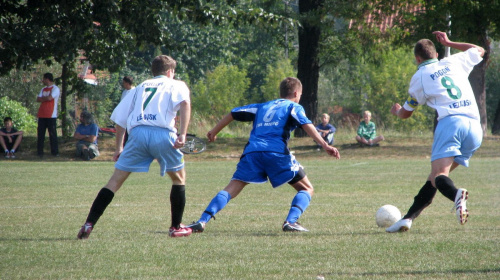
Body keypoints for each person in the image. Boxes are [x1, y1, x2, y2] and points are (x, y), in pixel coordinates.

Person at [186, 77, 340, 234]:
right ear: (295, 93)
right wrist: (325, 144)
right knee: (307, 188)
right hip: (276, 153)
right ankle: (291, 222)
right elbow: (307, 125)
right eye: (299, 95)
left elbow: (234, 113)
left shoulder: (262, 106)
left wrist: (214, 131)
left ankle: (202, 221)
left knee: (231, 189)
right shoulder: (293, 106)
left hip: (252, 153)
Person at [77, 55, 192, 239]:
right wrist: (183, 133)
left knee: (114, 182)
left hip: (137, 135)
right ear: (170, 72)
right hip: (163, 133)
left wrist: (119, 147)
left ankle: (89, 223)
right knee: (179, 178)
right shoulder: (177, 84)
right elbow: (185, 103)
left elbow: (120, 119)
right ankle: (176, 227)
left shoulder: (139, 87)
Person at [387, 31, 485, 233]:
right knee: (435, 178)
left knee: (440, 174)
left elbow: (407, 113)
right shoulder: (453, 62)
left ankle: (457, 194)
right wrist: (450, 42)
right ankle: (407, 219)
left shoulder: (420, 76)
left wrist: (397, 112)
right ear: (435, 54)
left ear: (417, 58)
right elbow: (480, 50)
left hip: (451, 124)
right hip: (475, 127)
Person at [36, 73, 60, 157]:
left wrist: (43, 99)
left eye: (44, 79)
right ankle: (40, 152)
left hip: (51, 115)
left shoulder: (55, 88)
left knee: (52, 135)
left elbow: (50, 98)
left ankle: (55, 152)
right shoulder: (43, 89)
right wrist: (44, 99)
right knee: (40, 134)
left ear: (47, 79)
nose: (43, 80)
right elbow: (38, 99)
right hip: (42, 115)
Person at [120, 76, 135, 146]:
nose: (123, 84)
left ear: (127, 83)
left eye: (124, 83)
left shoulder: (135, 91)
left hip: (132, 117)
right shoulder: (124, 92)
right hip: (124, 116)